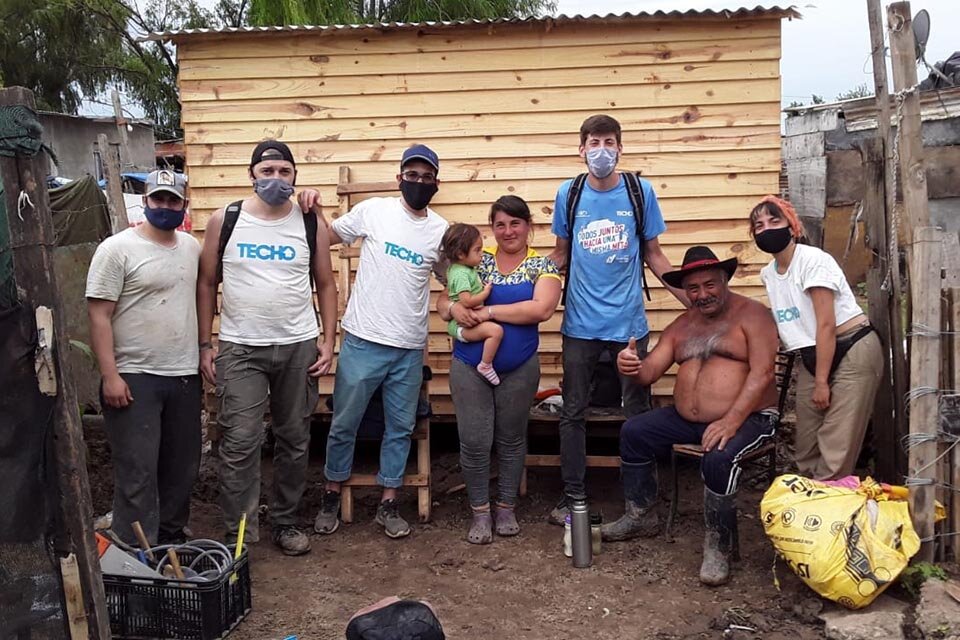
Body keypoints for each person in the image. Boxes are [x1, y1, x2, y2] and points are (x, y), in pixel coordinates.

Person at [603, 246, 780, 586]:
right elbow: (649, 373)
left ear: (724, 280)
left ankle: (719, 544)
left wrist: (731, 420)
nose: (702, 294)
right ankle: (641, 515)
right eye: (693, 288)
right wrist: (629, 365)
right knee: (634, 431)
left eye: (709, 285)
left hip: (750, 418)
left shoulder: (753, 315)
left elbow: (763, 374)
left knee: (717, 457)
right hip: (689, 419)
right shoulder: (682, 325)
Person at [196, 140, 338, 556]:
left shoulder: (309, 222)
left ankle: (285, 522)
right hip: (241, 347)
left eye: (284, 172)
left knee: (294, 438)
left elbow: (326, 285)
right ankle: (239, 533)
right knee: (239, 440)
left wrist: (328, 342)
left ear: (295, 177)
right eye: (268, 171)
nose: (276, 179)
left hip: (298, 346)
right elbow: (206, 283)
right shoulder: (226, 219)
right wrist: (206, 344)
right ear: (252, 175)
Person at [547, 113, 685, 525]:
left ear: (620, 148)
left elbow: (655, 255)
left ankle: (640, 502)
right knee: (573, 412)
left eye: (609, 142)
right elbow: (560, 254)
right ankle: (572, 498)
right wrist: (514, 280)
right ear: (581, 149)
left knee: (637, 411)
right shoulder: (568, 194)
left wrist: (691, 299)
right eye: (593, 142)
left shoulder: (639, 192)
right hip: (578, 327)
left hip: (628, 327)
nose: (601, 151)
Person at [314, 144, 449, 539]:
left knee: (400, 428)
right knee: (344, 423)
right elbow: (327, 238)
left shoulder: (439, 230)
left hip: (408, 347)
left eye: (427, 178)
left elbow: (451, 279)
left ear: (436, 183)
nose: (419, 183)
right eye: (412, 175)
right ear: (399, 179)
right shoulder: (374, 211)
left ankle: (389, 501)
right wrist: (312, 211)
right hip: (362, 339)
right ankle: (330, 493)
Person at [86, 169, 201, 546]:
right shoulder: (117, 249)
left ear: (184, 205)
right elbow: (99, 314)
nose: (165, 206)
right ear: (146, 201)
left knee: (181, 468)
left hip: (183, 374)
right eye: (158, 199)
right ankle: (135, 553)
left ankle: (170, 543)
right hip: (135, 375)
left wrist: (203, 351)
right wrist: (110, 375)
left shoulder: (191, 247)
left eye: (173, 200)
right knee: (137, 472)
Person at [439, 195, 562, 544]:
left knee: (511, 438)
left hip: (520, 368)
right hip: (468, 365)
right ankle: (480, 511)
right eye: (500, 224)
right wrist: (450, 307)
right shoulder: (478, 259)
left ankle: (506, 506)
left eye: (515, 223)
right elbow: (443, 299)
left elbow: (540, 310)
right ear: (492, 228)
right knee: (474, 441)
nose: (508, 231)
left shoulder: (543, 267)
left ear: (529, 227)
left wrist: (488, 313)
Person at [750, 196, 882, 480]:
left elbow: (825, 324)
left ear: (792, 226)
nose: (766, 229)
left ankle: (828, 502)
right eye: (758, 226)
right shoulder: (768, 275)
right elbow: (792, 321)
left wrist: (822, 381)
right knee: (806, 439)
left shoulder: (813, 261)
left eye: (775, 221)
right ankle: (811, 495)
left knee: (838, 438)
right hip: (812, 354)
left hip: (850, 346)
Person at [441, 223, 503, 385]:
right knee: (495, 331)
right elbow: (466, 301)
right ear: (461, 254)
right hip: (460, 327)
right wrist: (485, 292)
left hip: (464, 323)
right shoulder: (461, 273)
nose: (481, 254)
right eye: (477, 250)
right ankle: (485, 365)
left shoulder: (465, 268)